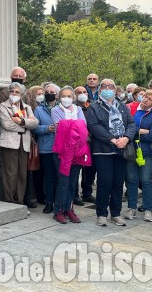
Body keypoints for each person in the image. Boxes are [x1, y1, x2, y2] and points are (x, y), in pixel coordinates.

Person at [86, 78, 136, 227]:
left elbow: (131, 124)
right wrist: (112, 139)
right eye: (104, 86)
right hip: (103, 150)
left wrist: (126, 138)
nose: (107, 88)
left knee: (118, 182)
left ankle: (115, 213)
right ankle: (101, 214)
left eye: (111, 86)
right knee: (105, 181)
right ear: (100, 90)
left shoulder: (122, 106)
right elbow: (94, 126)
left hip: (121, 150)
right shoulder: (94, 107)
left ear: (115, 90)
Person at [51, 86, 91, 224]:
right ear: (59, 97)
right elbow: (60, 128)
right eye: (64, 96)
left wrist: (70, 125)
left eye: (69, 96)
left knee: (73, 182)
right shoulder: (55, 110)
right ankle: (58, 211)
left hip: (77, 151)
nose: (66, 98)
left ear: (73, 98)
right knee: (63, 181)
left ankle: (69, 208)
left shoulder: (78, 109)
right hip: (62, 151)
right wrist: (75, 125)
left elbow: (83, 127)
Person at [124, 89, 152, 223]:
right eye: (145, 96)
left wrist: (133, 132)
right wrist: (139, 131)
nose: (145, 99)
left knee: (146, 180)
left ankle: (148, 209)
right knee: (132, 179)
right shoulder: (131, 110)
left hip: (147, 152)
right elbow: (125, 129)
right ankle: (131, 207)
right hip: (131, 150)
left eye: (149, 99)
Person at [0, 82, 39, 204]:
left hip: (24, 143)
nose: (14, 94)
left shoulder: (27, 107)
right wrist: (26, 125)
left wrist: (21, 121)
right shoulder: (3, 106)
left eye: (17, 92)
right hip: (10, 142)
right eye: (12, 91)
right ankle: (9, 199)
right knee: (10, 173)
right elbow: (7, 124)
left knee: (22, 173)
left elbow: (35, 123)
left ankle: (19, 200)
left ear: (21, 95)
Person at [35, 83, 59, 214]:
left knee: (59, 176)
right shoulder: (39, 110)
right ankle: (49, 201)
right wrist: (47, 128)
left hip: (61, 147)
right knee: (49, 176)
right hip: (47, 147)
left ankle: (59, 201)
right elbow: (34, 127)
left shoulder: (63, 108)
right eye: (47, 91)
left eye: (52, 91)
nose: (50, 93)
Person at [74, 86, 96, 204]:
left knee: (90, 169)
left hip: (92, 142)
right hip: (78, 142)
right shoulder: (74, 108)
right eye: (79, 92)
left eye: (84, 92)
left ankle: (87, 193)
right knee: (77, 169)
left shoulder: (92, 106)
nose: (82, 94)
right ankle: (75, 194)